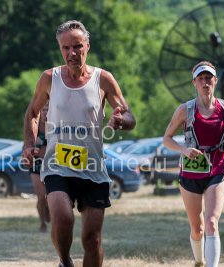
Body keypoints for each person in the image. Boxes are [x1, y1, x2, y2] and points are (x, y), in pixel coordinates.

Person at [23, 20, 136, 267]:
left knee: (92, 239)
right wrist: (29, 143)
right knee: (62, 219)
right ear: (60, 49)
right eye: (66, 48)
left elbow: (129, 116)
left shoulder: (103, 79)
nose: (72, 53)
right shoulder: (49, 78)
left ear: (87, 45)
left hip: (92, 167)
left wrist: (121, 121)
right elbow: (32, 112)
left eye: (77, 46)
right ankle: (65, 261)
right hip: (57, 164)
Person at [163, 61, 224, 267]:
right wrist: (183, 150)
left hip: (217, 169)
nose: (205, 82)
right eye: (201, 78)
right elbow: (167, 139)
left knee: (211, 222)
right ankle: (199, 260)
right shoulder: (185, 110)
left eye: (209, 78)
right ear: (194, 83)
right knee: (197, 227)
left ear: (215, 81)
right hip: (191, 172)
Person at [29, 103, 50, 232]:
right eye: (44, 109)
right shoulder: (33, 127)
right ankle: (42, 223)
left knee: (50, 195)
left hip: (51, 164)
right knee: (41, 196)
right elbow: (27, 145)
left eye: (48, 109)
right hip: (35, 165)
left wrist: (42, 151)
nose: (46, 111)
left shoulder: (55, 127)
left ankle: (49, 212)